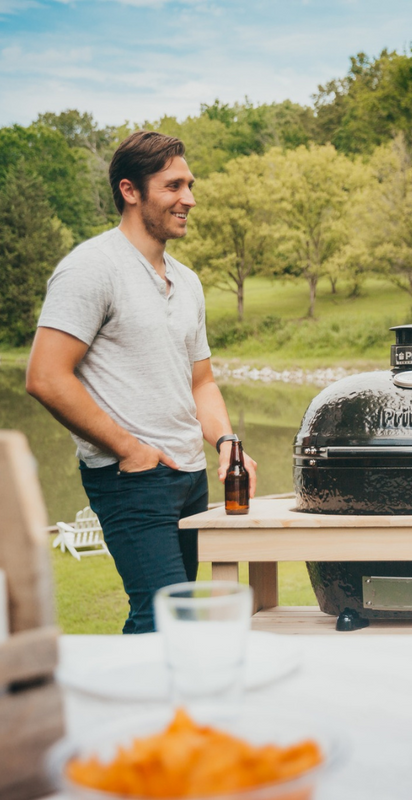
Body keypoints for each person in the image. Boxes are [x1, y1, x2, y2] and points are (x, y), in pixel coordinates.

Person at [26, 130, 257, 634]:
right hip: (131, 478)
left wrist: (225, 439)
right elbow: (45, 376)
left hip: (190, 476)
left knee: (176, 616)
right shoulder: (91, 269)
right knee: (161, 619)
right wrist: (131, 451)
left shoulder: (189, 281)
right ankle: (134, 711)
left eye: (189, 185)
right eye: (174, 186)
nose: (189, 199)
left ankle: (167, 709)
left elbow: (201, 382)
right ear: (131, 191)